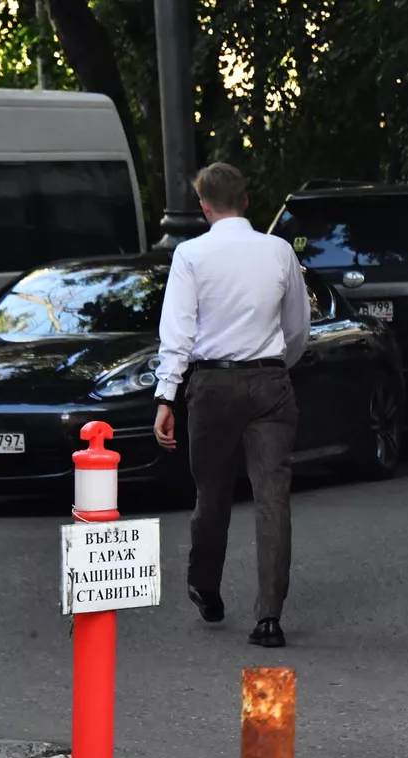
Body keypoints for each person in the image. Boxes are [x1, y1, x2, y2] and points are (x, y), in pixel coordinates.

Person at [152, 163, 311, 648]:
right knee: (272, 499)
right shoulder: (279, 251)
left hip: (212, 387)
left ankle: (206, 587)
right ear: (245, 200)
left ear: (203, 206)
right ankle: (269, 618)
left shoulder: (191, 254)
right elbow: (297, 325)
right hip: (269, 382)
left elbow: (177, 331)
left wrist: (166, 396)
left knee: (212, 494)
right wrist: (279, 363)